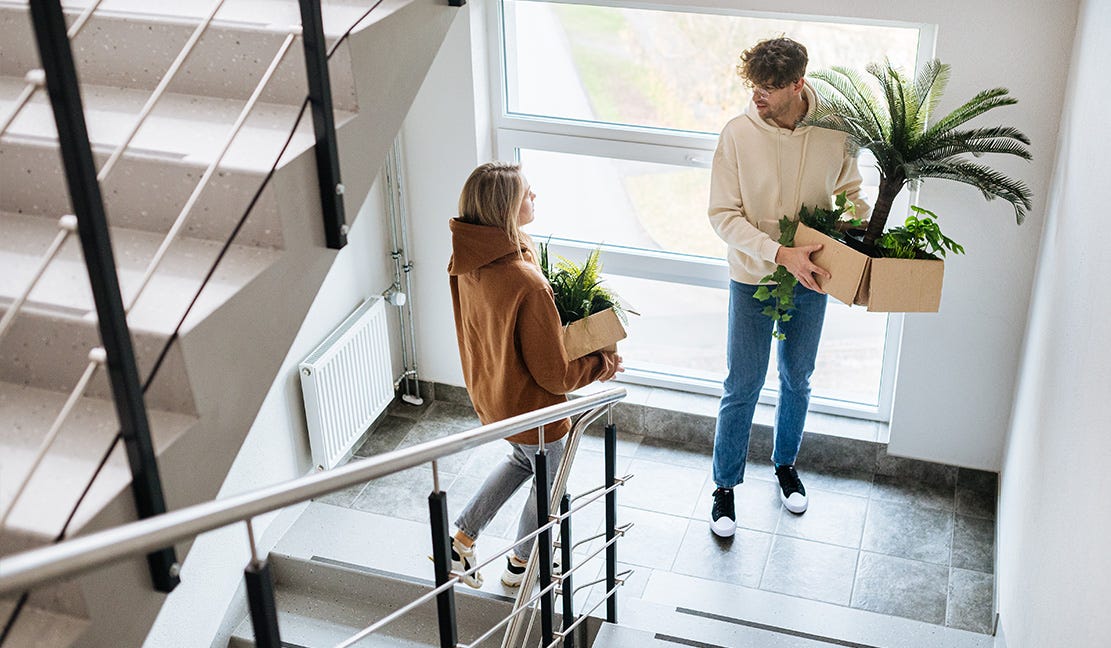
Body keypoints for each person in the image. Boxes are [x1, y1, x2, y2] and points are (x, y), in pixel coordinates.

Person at [706, 37, 871, 537]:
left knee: (798, 378)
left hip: (813, 278)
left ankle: (785, 467)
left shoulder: (835, 130)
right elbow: (722, 216)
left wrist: (856, 239)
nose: (757, 96)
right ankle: (725, 487)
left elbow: (851, 195)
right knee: (743, 384)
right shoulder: (737, 134)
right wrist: (779, 253)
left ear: (798, 84)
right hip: (753, 277)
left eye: (770, 87)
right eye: (753, 85)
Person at [447, 162, 623, 586]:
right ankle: (522, 564)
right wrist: (602, 364)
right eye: (527, 192)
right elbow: (556, 375)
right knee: (550, 481)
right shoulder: (525, 281)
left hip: (494, 395)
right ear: (506, 207)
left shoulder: (466, 260)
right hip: (533, 408)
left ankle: (461, 540)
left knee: (524, 461)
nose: (535, 196)